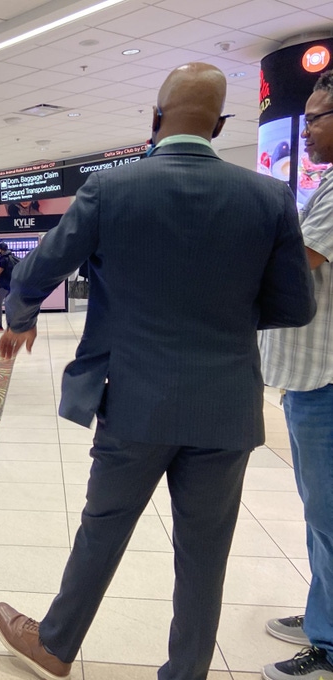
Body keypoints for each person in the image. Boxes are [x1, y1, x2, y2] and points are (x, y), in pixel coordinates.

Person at [0, 63, 316, 680]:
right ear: (220, 126)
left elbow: (39, 266)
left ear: (154, 119)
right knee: (204, 554)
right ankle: (185, 671)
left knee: (103, 529)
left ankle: (55, 645)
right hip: (226, 406)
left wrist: (21, 315)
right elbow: (295, 306)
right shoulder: (268, 197)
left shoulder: (112, 189)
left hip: (136, 399)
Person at [258, 70, 333, 680]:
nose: (304, 130)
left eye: (316, 119)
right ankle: (322, 616)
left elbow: (295, 265)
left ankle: (330, 644)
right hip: (311, 376)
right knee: (318, 512)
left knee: (329, 516)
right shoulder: (326, 184)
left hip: (327, 380)